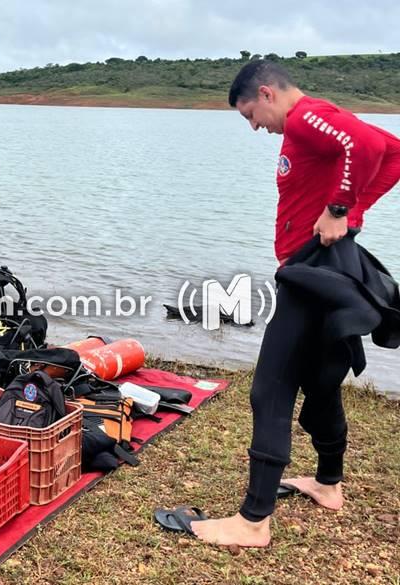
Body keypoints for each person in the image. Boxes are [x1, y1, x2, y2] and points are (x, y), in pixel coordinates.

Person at [188, 60, 400, 547]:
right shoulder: (311, 125)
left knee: (271, 388)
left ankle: (253, 521)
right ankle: (328, 484)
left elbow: (370, 147)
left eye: (249, 115)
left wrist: (340, 210)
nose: (254, 127)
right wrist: (351, 211)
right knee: (322, 381)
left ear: (266, 93)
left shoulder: (306, 116)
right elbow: (392, 153)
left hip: (313, 272)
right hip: (329, 266)